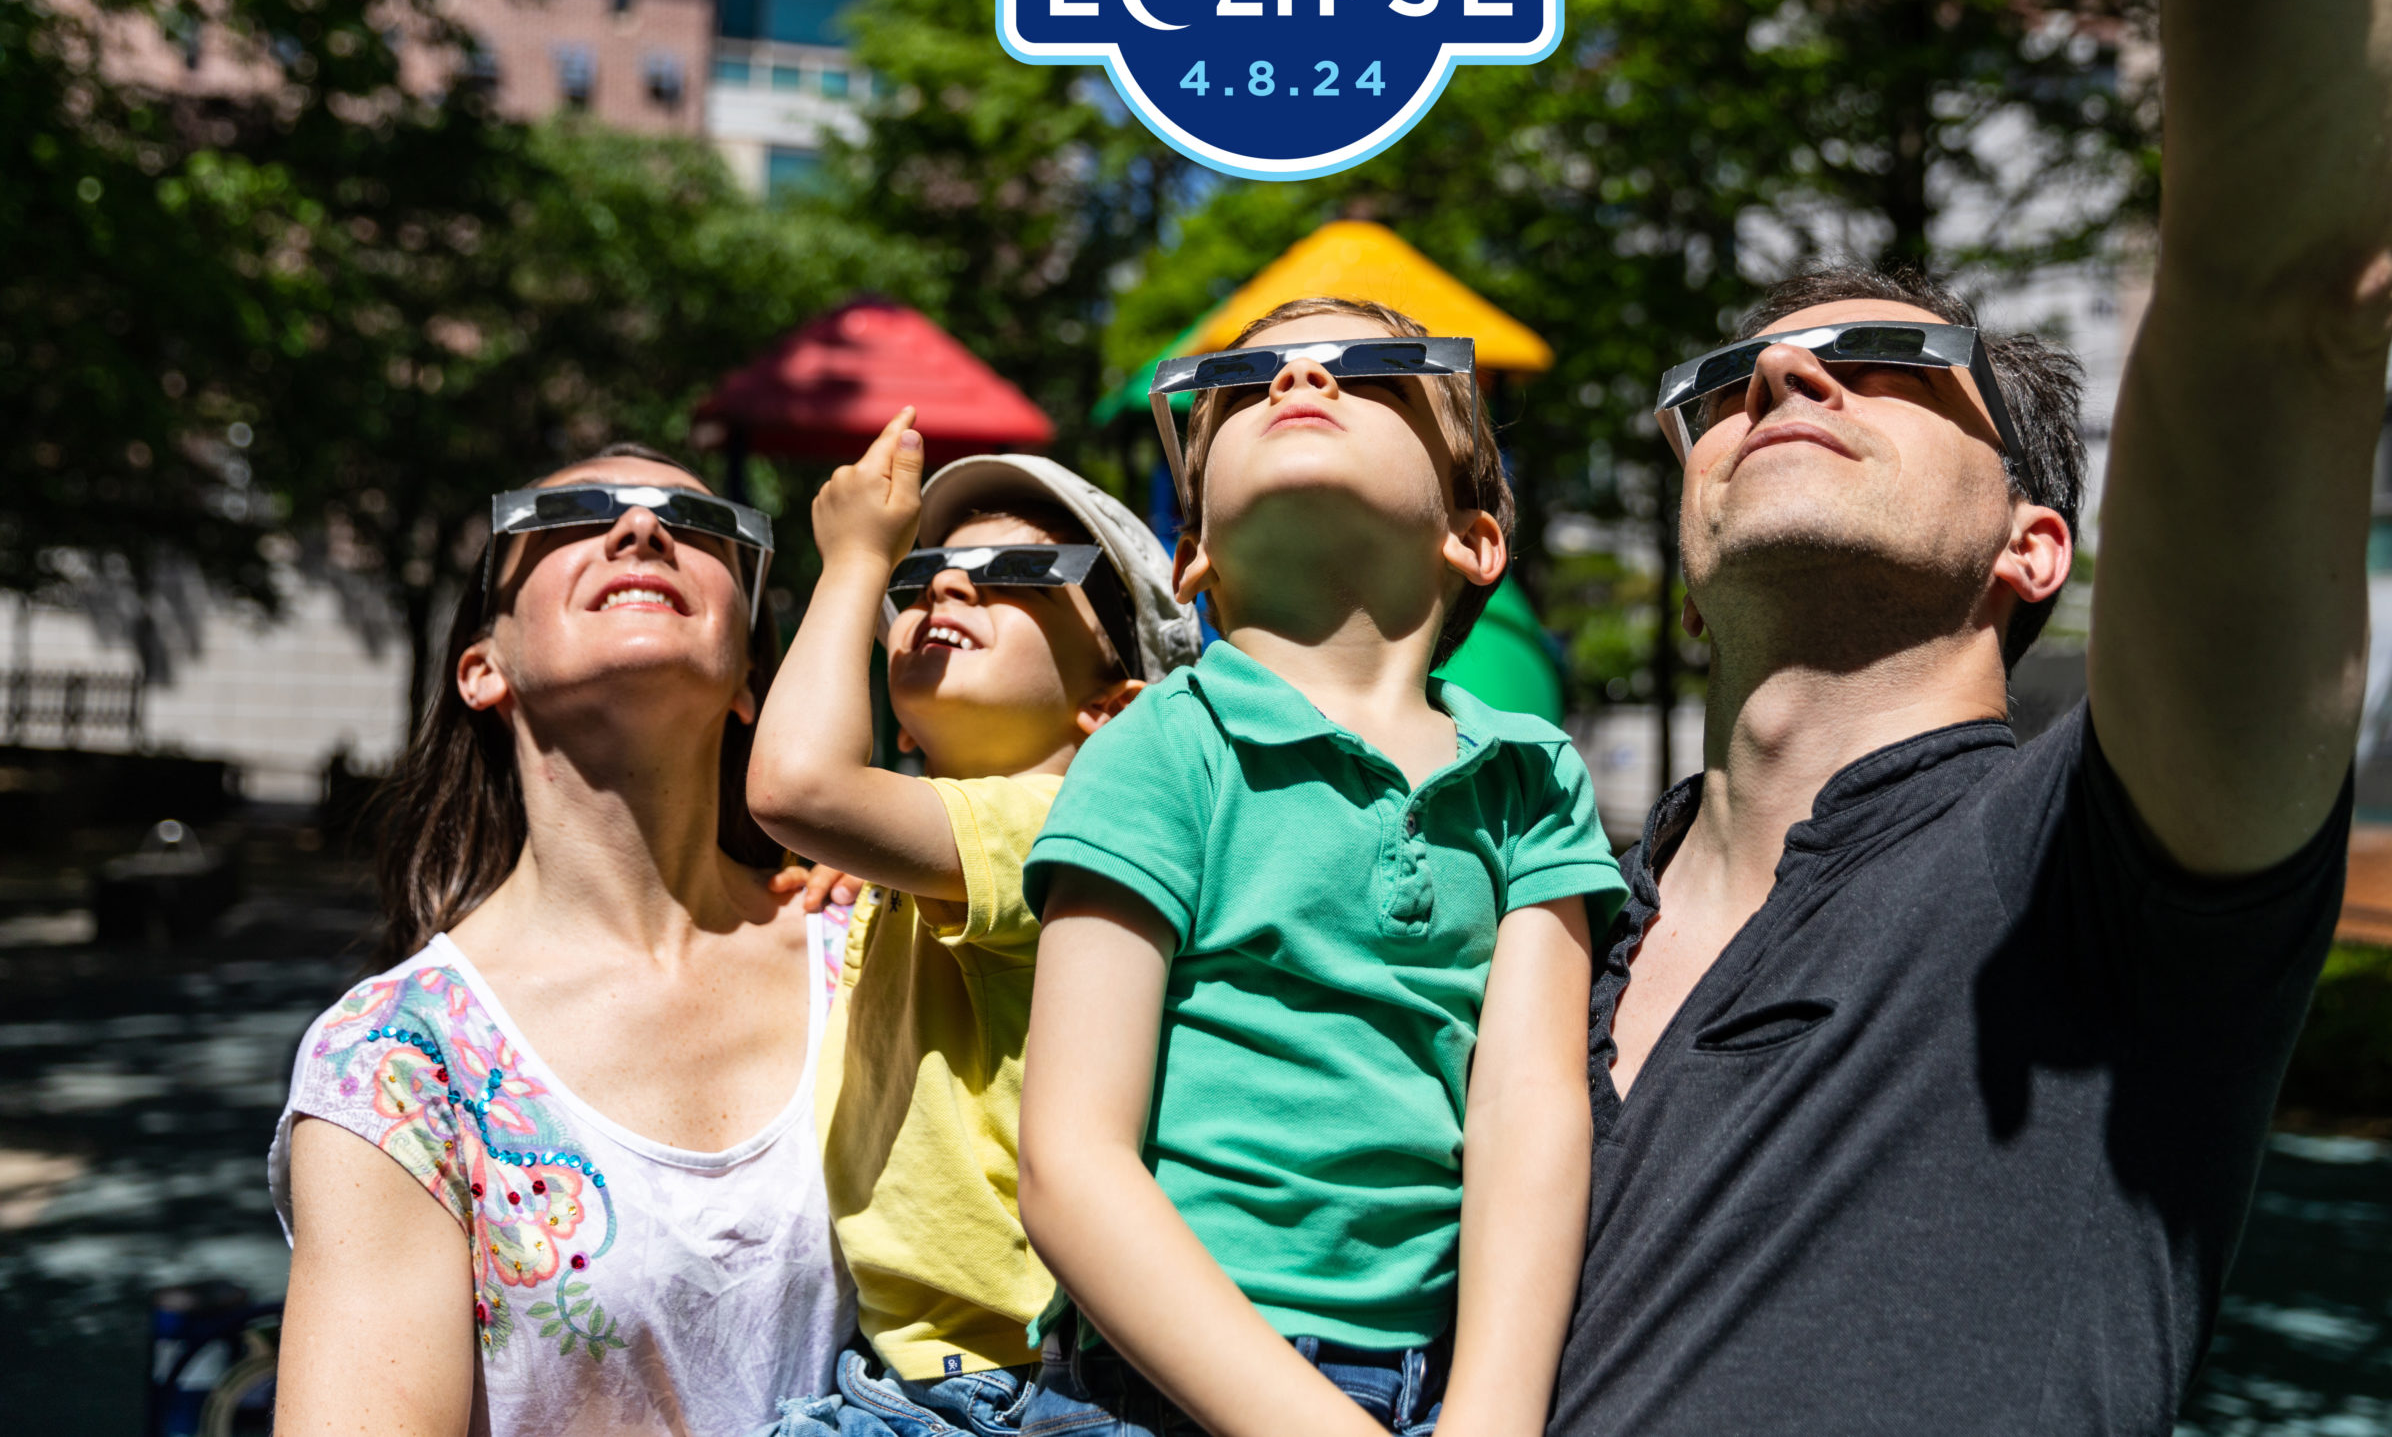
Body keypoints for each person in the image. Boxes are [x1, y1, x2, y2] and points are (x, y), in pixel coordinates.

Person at [1547, 0, 2392, 1425]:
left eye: (1883, 356)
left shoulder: (2104, 868)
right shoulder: (1542, 922)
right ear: (1687, 574)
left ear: (2036, 543)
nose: (1782, 380)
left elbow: (2293, 291)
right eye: (1726, 382)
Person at [1015, 299, 1627, 1437]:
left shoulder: (1530, 773)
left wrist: (1491, 1418)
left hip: (1440, 1386)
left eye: (1375, 368)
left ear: (1472, 534)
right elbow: (1069, 1158)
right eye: (1241, 388)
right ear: (1191, 553)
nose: (1300, 379)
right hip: (1166, 1378)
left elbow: (1529, 1106)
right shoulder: (1164, 744)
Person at [270, 444, 858, 1437]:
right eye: (575, 515)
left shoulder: (884, 949)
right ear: (482, 667)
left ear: (752, 677)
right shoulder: (398, 1063)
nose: (641, 530)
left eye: (698, 524)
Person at [745, 411, 1196, 1436]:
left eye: (1011, 571)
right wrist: (856, 861)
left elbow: (797, 785)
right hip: (922, 1377)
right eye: (920, 576)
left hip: (1025, 1388)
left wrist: (857, 559)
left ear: (1110, 710)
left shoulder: (1078, 825)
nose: (946, 583)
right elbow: (828, 804)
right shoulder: (922, 858)